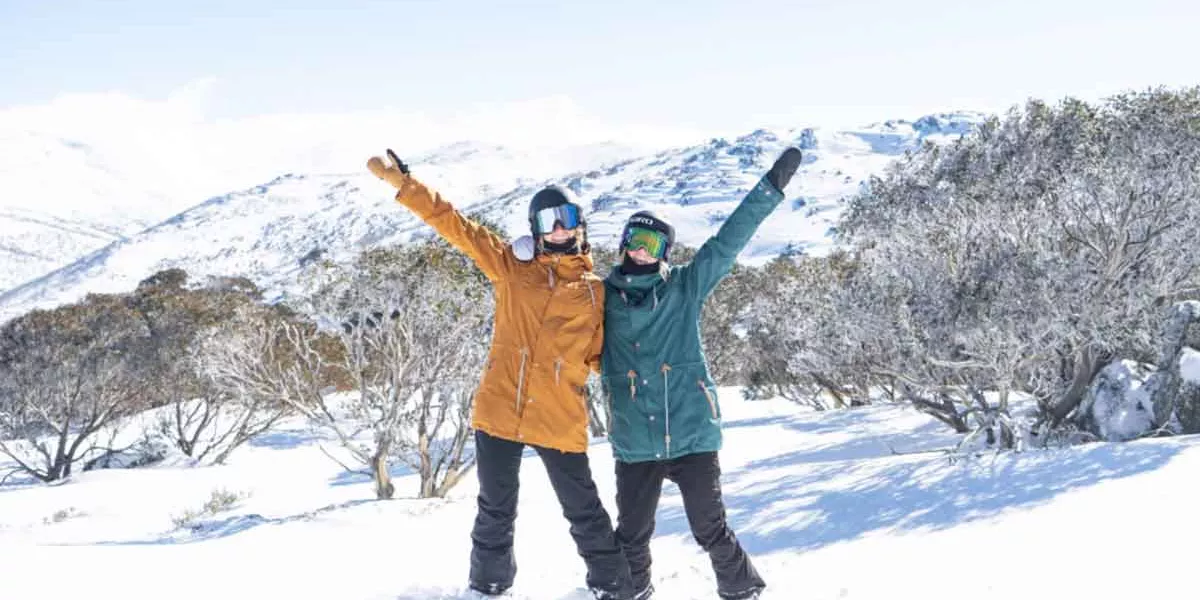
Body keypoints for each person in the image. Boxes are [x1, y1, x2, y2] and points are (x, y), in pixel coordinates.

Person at [367, 149, 636, 599]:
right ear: (535, 228)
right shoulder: (512, 267)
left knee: (583, 509)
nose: (559, 228)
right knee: (495, 509)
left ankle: (612, 586)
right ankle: (488, 585)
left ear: (581, 223)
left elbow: (605, 356)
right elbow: (456, 226)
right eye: (548, 219)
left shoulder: (595, 293)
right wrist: (406, 185)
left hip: (557, 416)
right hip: (499, 408)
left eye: (567, 217)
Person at [599, 147, 803, 600]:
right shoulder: (602, 299)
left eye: (651, 244)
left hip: (691, 431)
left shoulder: (684, 288)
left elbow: (728, 241)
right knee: (631, 533)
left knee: (710, 528)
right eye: (634, 239)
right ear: (622, 243)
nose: (639, 250)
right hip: (635, 438)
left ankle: (741, 588)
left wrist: (770, 188)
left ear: (664, 253)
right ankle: (632, 591)